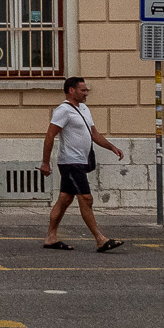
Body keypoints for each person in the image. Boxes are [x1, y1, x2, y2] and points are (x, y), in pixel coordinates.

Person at [40, 75, 124, 252]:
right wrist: (45, 163)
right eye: (83, 90)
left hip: (81, 161)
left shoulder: (84, 109)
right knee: (86, 198)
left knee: (65, 199)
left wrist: (112, 147)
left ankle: (51, 238)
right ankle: (100, 239)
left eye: (86, 90)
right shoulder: (63, 110)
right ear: (71, 90)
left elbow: (94, 134)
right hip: (70, 162)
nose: (86, 93)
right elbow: (50, 135)